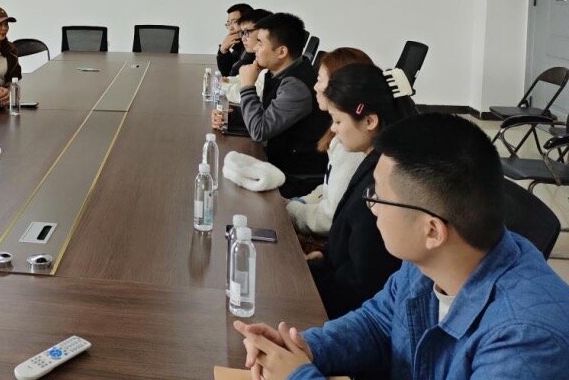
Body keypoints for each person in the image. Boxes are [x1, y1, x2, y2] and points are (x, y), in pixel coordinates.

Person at [234, 113, 569, 380]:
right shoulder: (431, 261)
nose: (371, 207)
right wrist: (304, 347)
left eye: (378, 197)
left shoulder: (526, 341)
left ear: (432, 230)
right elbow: (378, 323)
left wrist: (299, 376)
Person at [306, 63, 402, 318]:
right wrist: (324, 256)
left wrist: (313, 280)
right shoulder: (370, 159)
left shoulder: (380, 182)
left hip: (347, 311)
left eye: (338, 121)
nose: (333, 129)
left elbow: (362, 279)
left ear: (370, 121)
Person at [213, 12, 329, 196]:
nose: (254, 48)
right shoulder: (280, 72)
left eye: (260, 43)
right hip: (277, 162)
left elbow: (260, 131)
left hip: (295, 177)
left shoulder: (295, 86)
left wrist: (248, 86)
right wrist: (231, 118)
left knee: (222, 183)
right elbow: (269, 115)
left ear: (281, 52)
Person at [286, 48, 373, 238]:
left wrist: (289, 211)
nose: (315, 87)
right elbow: (328, 190)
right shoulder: (343, 134)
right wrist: (298, 203)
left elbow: (329, 217)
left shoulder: (351, 147)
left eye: (320, 80)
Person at [217, 2, 254, 75]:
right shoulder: (238, 46)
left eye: (234, 22)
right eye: (229, 23)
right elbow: (227, 74)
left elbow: (233, 74)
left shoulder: (252, 46)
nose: (230, 28)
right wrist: (223, 50)